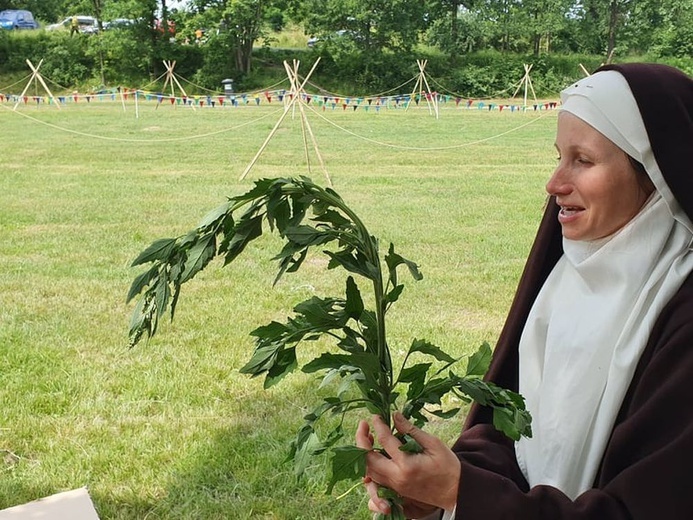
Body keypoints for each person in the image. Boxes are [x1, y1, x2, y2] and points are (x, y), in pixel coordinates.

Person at [356, 62, 693, 519]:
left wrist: (464, 494)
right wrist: (436, 489)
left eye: (583, 160)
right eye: (559, 156)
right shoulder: (564, 282)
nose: (554, 183)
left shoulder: (682, 317)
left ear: (658, 177)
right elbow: (511, 431)